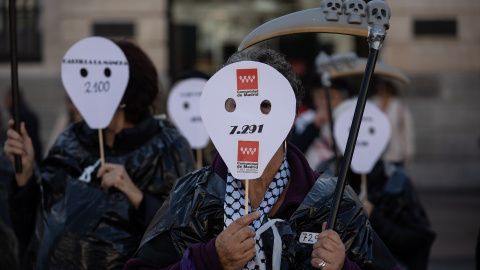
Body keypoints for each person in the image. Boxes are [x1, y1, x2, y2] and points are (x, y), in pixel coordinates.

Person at [125, 48, 400, 270]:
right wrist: (208, 260)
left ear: (291, 115)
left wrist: (343, 267)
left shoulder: (334, 201)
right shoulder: (192, 195)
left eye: (264, 105)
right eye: (234, 105)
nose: (249, 117)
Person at [4, 39, 196, 269]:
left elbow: (186, 233)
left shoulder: (167, 147)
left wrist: (136, 197)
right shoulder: (70, 141)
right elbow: (34, 225)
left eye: (104, 77)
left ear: (126, 90)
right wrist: (24, 175)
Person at [290, 79, 350, 171]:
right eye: (320, 97)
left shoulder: (349, 121)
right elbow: (292, 151)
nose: (324, 102)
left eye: (331, 97)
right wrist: (315, 125)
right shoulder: (304, 119)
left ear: (343, 99)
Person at [371, 79, 414, 166]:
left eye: (384, 89)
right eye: (380, 89)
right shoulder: (374, 103)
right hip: (377, 152)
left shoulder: (399, 106)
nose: (382, 92)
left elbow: (407, 129)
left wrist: (408, 150)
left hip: (396, 150)